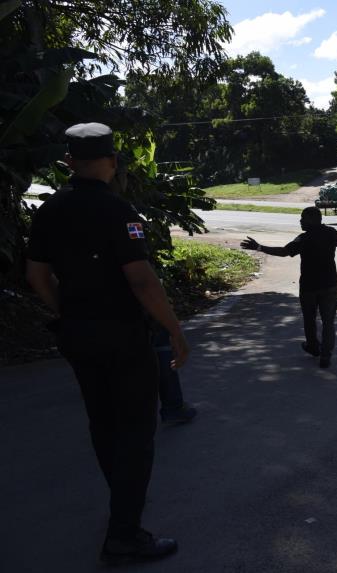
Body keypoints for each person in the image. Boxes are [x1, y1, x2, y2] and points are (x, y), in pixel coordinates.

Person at [26, 122, 187, 563]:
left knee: (103, 424)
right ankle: (124, 535)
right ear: (113, 162)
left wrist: (67, 311)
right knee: (136, 431)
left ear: (69, 163)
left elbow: (37, 276)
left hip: (78, 336)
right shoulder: (121, 213)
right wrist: (173, 329)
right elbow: (141, 280)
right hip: (122, 336)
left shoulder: (49, 211)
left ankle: (123, 504)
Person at [240, 207, 337, 368]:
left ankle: (313, 347)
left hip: (309, 287)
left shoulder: (303, 238)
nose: (300, 221)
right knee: (328, 322)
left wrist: (259, 247)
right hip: (330, 285)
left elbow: (284, 252)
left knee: (309, 319)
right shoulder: (331, 232)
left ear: (312, 220)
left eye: (303, 218)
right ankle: (325, 355)